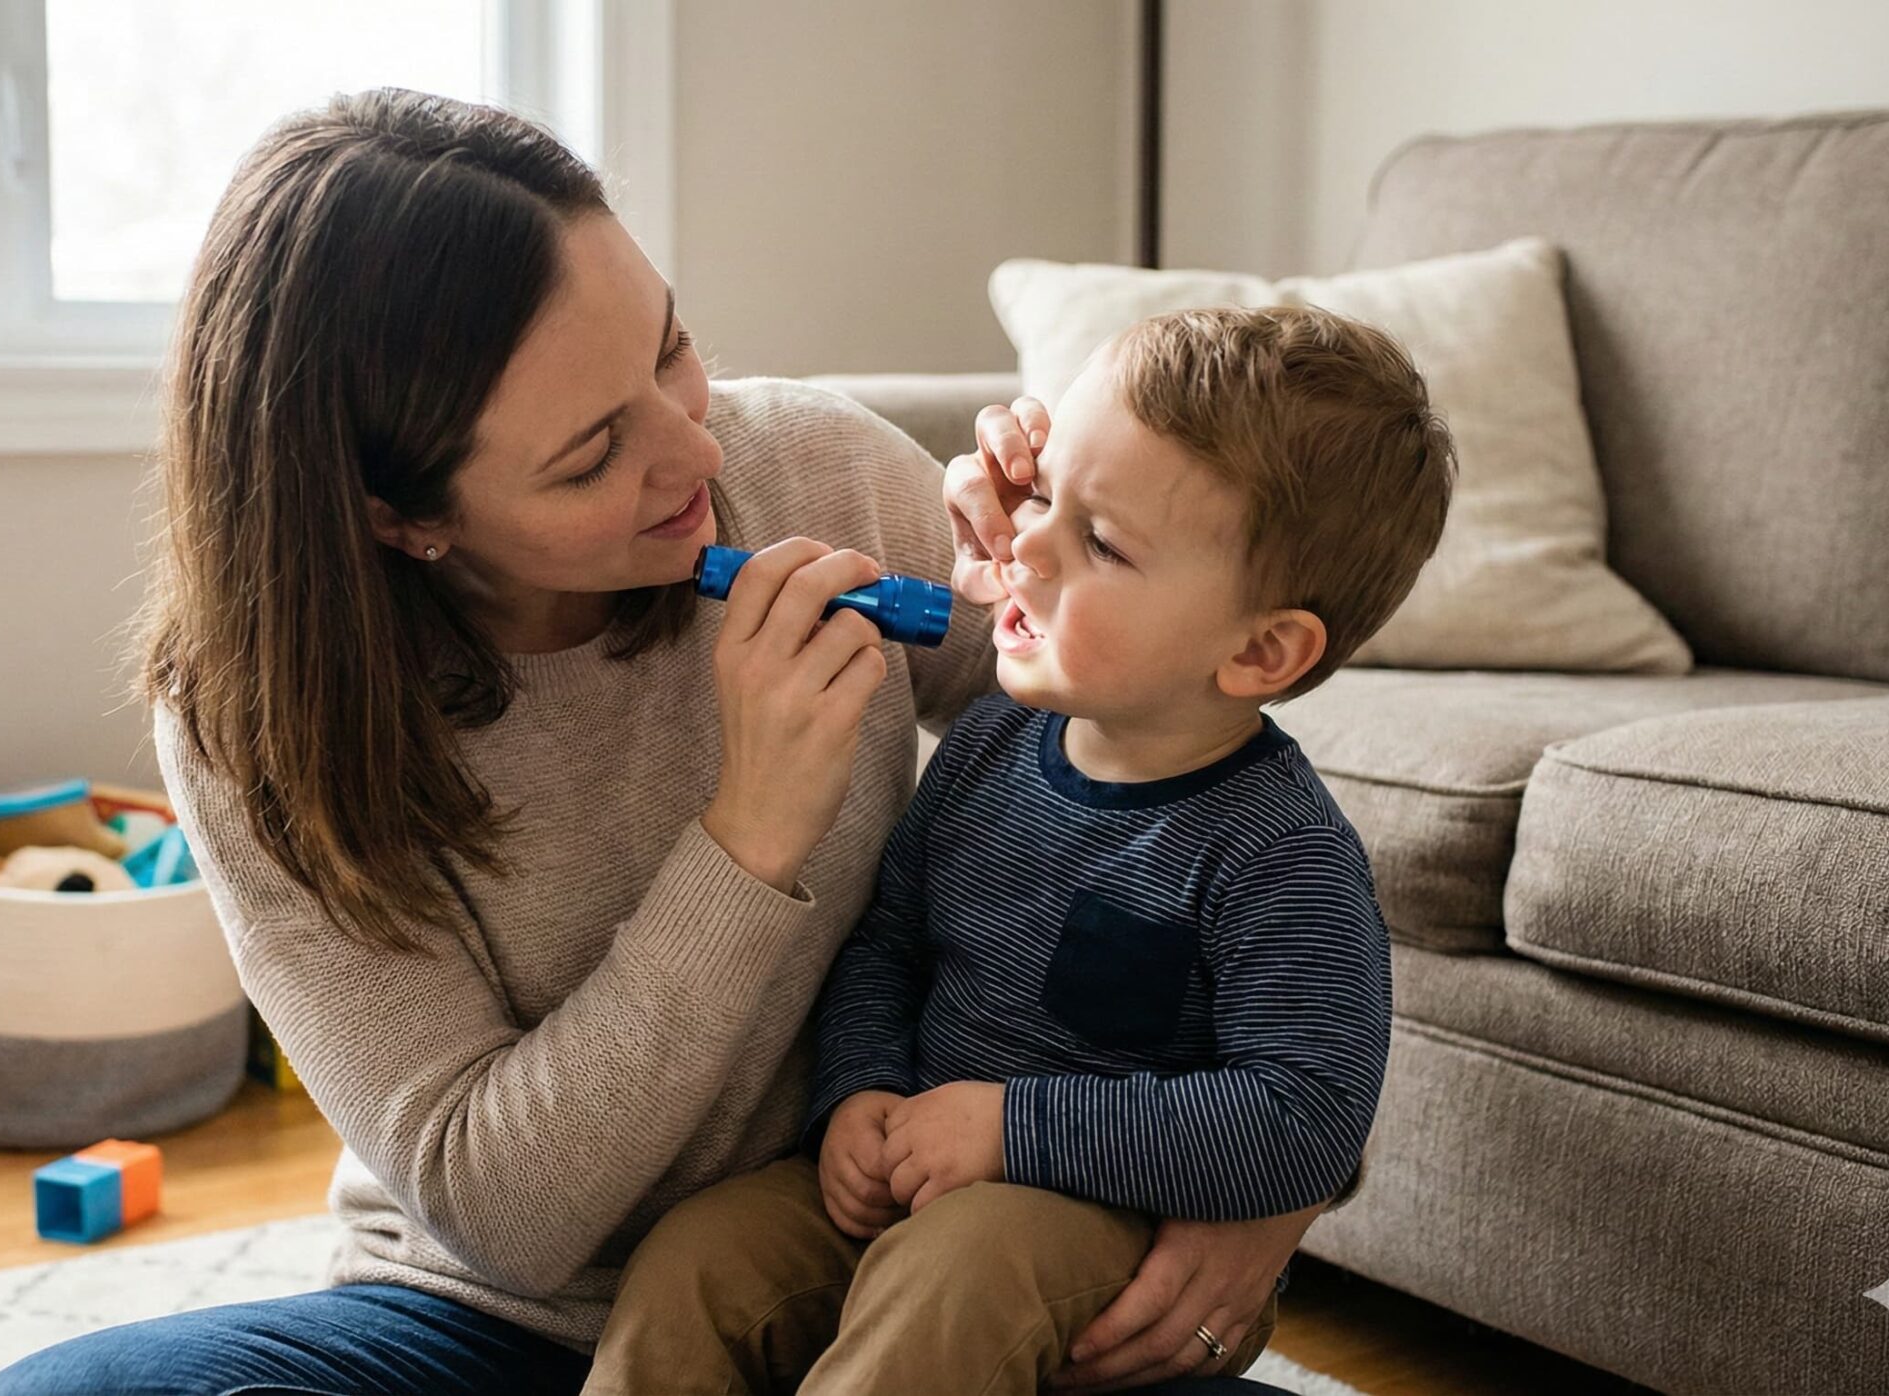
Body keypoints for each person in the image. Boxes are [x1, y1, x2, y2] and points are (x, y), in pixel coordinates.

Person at [0, 90, 1319, 1396]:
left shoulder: (819, 474)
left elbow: (1204, 806)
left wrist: (1260, 1192)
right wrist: (747, 843)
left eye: (671, 348)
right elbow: (499, 1215)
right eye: (593, 453)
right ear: (403, 518)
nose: (696, 451)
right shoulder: (255, 723)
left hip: (913, 1265)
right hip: (503, 1328)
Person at [584, 308, 1456, 1395]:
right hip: (916, 1164)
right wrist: (856, 1091)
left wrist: (1013, 1130)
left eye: (1100, 542)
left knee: (959, 1273)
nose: (1022, 546)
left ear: (1260, 648)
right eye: (1044, 496)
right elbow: (890, 940)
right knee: (703, 1255)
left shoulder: (1278, 855)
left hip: (1097, 1228)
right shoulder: (992, 738)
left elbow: (1302, 1120)